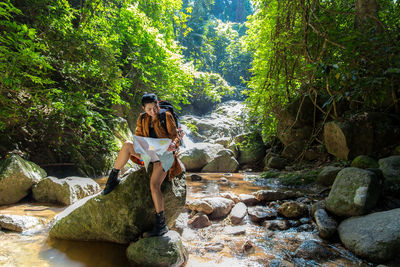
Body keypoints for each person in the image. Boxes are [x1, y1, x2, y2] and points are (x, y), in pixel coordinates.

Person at [102, 93, 183, 237]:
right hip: (150, 153)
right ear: (143, 108)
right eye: (149, 109)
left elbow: (175, 136)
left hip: (165, 155)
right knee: (127, 145)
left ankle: (161, 225)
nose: (153, 111)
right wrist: (142, 147)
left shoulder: (166, 116)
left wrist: (173, 144)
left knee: (154, 185)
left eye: (155, 107)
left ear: (157, 104)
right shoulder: (142, 118)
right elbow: (138, 136)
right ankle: (113, 179)